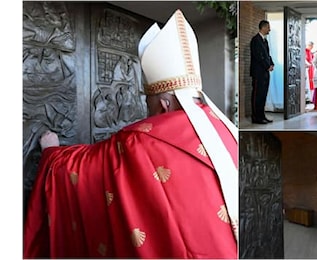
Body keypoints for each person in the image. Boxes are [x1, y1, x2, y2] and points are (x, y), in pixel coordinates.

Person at [23, 9, 238, 259]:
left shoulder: (140, 141)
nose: (147, 109)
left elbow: (84, 171)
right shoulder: (225, 129)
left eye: (149, 101)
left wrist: (52, 153)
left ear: (165, 104)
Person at [250, 20, 274, 124]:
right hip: (258, 72)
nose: (270, 29)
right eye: (268, 27)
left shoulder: (265, 41)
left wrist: (271, 64)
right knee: (257, 95)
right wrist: (267, 66)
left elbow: (267, 55)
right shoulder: (256, 40)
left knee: (263, 95)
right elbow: (258, 56)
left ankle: (262, 116)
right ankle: (256, 117)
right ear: (263, 27)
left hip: (265, 72)